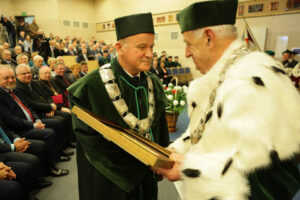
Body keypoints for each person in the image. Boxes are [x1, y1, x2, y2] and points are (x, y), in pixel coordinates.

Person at [153, 1, 300, 200]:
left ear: (208, 38)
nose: (186, 53)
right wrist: (175, 151)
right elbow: (200, 133)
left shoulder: (253, 81)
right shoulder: (219, 77)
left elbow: (267, 177)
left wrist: (190, 168)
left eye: (188, 44)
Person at [68, 12, 169, 200]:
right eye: (142, 47)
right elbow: (92, 144)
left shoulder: (153, 82)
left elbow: (160, 126)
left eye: (152, 47)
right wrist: (141, 165)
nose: (150, 54)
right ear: (119, 48)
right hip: (110, 180)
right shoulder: (89, 87)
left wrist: (162, 159)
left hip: (148, 175)